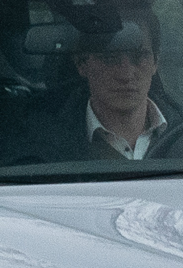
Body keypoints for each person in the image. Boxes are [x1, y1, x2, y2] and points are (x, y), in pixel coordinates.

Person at [68, 14, 169, 159]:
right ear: (81, 63)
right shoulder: (43, 148)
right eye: (109, 58)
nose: (126, 75)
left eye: (139, 57)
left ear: (155, 62)